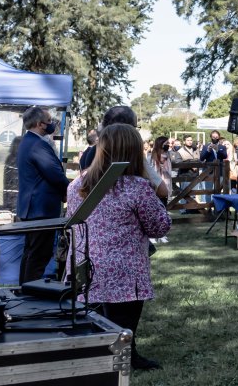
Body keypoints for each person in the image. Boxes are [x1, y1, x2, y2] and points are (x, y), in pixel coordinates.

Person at [67, 123, 171, 370]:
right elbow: (160, 227)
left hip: (85, 263)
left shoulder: (75, 185)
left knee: (92, 317)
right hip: (124, 267)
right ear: (134, 151)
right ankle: (126, 355)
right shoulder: (136, 187)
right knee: (124, 320)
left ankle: (94, 355)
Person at [16, 106, 70, 283]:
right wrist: (68, 192)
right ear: (40, 124)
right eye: (50, 121)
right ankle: (29, 296)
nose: (53, 124)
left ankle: (24, 291)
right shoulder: (38, 144)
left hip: (33, 209)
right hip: (41, 210)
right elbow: (55, 174)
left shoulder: (27, 141)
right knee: (38, 256)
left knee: (31, 254)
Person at [198, 131, 228, 201]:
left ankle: (217, 208)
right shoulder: (206, 146)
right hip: (209, 172)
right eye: (213, 137)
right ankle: (208, 208)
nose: (215, 138)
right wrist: (208, 150)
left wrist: (218, 150)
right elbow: (202, 158)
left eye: (217, 137)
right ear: (211, 137)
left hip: (220, 171)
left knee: (218, 190)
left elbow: (225, 156)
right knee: (208, 191)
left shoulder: (222, 147)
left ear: (219, 137)